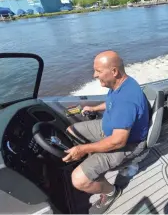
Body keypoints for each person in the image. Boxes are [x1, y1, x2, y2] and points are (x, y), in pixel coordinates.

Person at [62, 50, 149, 214]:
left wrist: (83, 149)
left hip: (128, 143)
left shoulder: (127, 99)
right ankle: (91, 162)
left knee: (78, 180)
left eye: (98, 71)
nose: (95, 75)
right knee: (70, 130)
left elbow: (118, 141)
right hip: (109, 127)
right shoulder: (120, 84)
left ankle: (111, 192)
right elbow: (111, 102)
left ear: (114, 71)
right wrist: (94, 108)